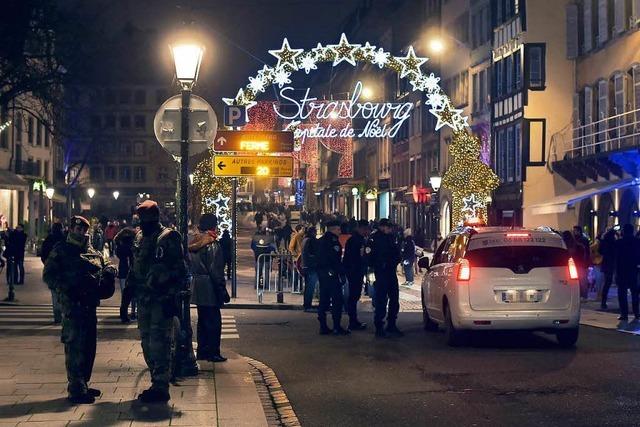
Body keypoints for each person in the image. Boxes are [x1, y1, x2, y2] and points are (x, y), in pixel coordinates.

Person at [43, 216, 116, 404]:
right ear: (71, 230)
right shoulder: (61, 250)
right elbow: (49, 275)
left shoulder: (92, 251)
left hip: (89, 304)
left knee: (89, 346)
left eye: (83, 230)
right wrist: (66, 287)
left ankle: (84, 382)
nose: (80, 233)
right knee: (74, 345)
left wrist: (109, 271)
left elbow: (105, 263)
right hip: (72, 305)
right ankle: (76, 387)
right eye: (77, 229)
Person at [127, 200, 187, 403]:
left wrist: (169, 289)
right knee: (146, 342)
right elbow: (135, 266)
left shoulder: (169, 237)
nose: (143, 223)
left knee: (160, 342)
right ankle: (156, 380)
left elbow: (180, 269)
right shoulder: (140, 236)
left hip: (162, 299)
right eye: (142, 219)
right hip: (144, 299)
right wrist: (128, 295)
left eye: (147, 219)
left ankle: (161, 385)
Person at [189, 213, 229, 363]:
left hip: (198, 284)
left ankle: (203, 350)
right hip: (209, 286)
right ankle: (213, 352)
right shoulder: (211, 243)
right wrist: (222, 289)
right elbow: (215, 270)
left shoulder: (196, 241)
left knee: (203, 320)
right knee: (214, 321)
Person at [365, 218, 402, 338]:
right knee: (381, 300)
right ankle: (379, 326)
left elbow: (397, 253)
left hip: (390, 271)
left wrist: (395, 261)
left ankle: (392, 324)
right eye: (388, 227)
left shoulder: (391, 237)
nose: (390, 229)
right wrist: (378, 265)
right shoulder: (374, 238)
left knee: (394, 298)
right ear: (382, 227)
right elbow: (369, 255)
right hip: (380, 272)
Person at [316, 220, 349, 335]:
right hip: (332, 274)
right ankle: (336, 326)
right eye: (338, 229)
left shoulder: (321, 240)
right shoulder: (332, 241)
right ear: (333, 229)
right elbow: (335, 260)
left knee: (324, 301)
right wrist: (341, 273)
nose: (340, 232)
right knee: (336, 301)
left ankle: (323, 326)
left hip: (323, 274)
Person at [343, 219, 370, 330]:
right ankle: (352, 321)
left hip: (356, 271)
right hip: (354, 271)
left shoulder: (359, 240)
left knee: (355, 296)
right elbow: (356, 257)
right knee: (353, 296)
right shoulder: (355, 240)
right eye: (365, 229)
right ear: (360, 228)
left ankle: (353, 320)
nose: (367, 231)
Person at [40, 222, 66, 323]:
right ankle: (63, 315)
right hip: (63, 270)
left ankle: (57, 316)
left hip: (52, 271)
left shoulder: (48, 239)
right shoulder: (65, 239)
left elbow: (43, 254)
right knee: (64, 293)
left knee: (54, 294)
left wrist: (47, 263)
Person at [614, 224, 640, 321]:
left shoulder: (619, 242)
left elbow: (614, 256)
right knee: (635, 292)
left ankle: (624, 314)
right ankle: (636, 312)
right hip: (633, 269)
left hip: (622, 270)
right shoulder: (637, 242)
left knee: (622, 293)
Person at [114, 226, 136, 323]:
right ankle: (132, 312)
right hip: (131, 271)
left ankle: (126, 313)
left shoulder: (121, 246)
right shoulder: (132, 247)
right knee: (133, 294)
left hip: (124, 271)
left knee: (125, 294)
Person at [301, 226, 319, 311]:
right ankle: (308, 305)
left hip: (306, 266)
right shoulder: (311, 240)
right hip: (312, 266)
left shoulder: (305, 240)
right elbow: (315, 253)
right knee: (310, 287)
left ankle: (307, 304)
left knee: (308, 286)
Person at [599, 228, 616, 310]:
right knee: (608, 282)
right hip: (612, 263)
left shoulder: (604, 242)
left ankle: (603, 301)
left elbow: (600, 251)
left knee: (606, 283)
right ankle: (603, 301)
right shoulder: (614, 243)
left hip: (606, 263)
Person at [572, 226, 591, 299]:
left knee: (582, 280)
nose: (574, 232)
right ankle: (582, 295)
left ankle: (583, 295)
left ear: (579, 231)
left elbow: (586, 252)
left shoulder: (581, 240)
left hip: (581, 263)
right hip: (579, 263)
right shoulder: (580, 240)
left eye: (575, 231)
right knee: (581, 280)